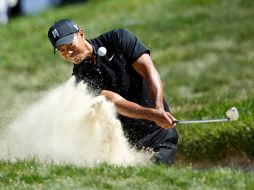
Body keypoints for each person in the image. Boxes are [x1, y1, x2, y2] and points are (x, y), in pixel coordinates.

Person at [48, 19, 178, 164]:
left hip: (159, 133)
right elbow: (115, 102)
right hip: (129, 145)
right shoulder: (81, 81)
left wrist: (158, 109)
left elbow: (148, 70)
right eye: (62, 50)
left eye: (70, 45)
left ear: (81, 34)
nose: (69, 53)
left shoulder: (117, 39)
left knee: (158, 173)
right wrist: (152, 114)